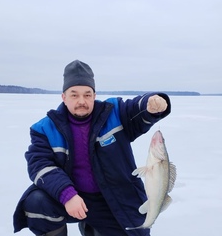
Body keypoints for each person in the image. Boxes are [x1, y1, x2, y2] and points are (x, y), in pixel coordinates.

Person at [13, 60, 171, 236]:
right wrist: (67, 194)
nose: (82, 101)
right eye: (74, 95)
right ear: (63, 97)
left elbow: (136, 109)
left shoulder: (114, 112)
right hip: (72, 197)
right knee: (36, 201)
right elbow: (40, 165)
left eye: (87, 95)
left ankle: (93, 228)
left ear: (94, 95)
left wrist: (152, 104)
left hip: (114, 198)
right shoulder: (45, 129)